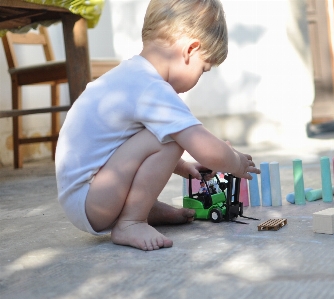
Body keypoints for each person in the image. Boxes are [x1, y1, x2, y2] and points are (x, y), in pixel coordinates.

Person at [55, 0, 260, 252]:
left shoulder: (131, 76)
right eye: (203, 69)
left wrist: (184, 167)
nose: (200, 77)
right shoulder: (152, 88)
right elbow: (204, 147)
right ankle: (131, 221)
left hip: (85, 196)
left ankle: (142, 209)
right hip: (93, 200)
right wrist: (236, 162)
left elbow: (124, 146)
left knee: (162, 134)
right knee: (174, 138)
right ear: (190, 50)